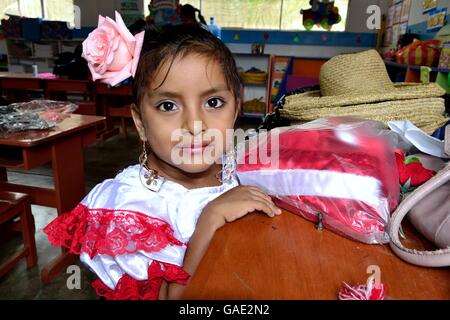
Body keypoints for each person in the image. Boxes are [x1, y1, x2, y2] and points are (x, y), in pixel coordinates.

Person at [44, 23, 281, 300]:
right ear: (140, 123)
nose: (194, 125)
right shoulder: (129, 208)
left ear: (236, 108)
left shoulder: (235, 171)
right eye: (168, 106)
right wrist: (210, 219)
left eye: (214, 102)